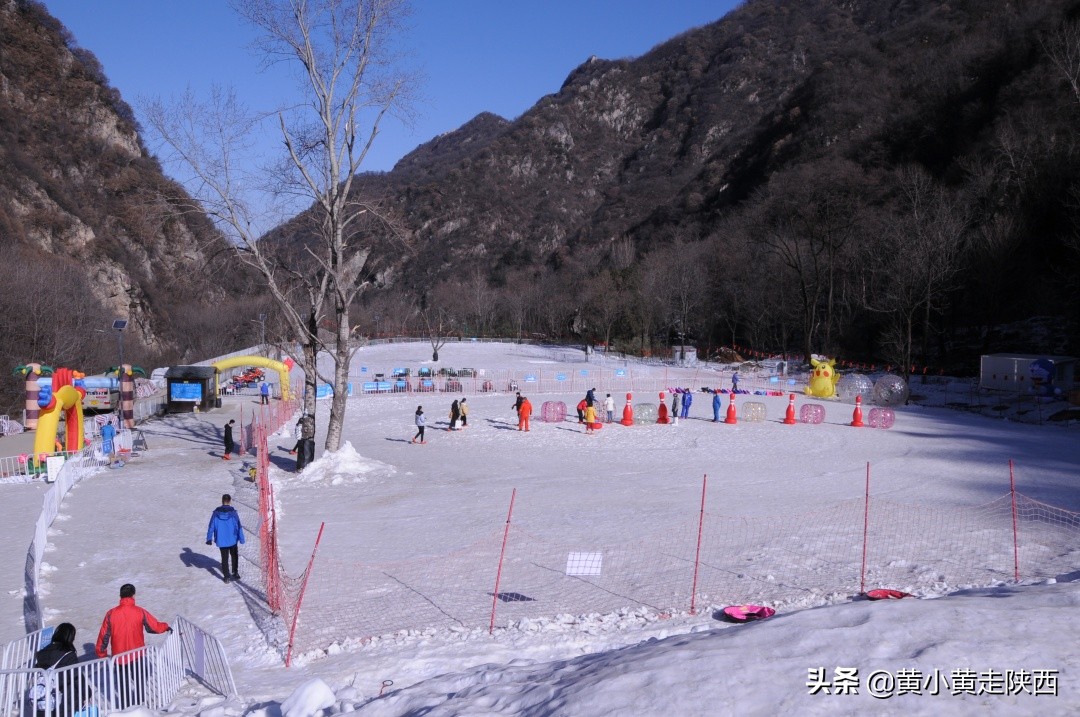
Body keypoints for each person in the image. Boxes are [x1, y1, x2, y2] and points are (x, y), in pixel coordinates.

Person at [95, 584, 171, 710]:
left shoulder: (111, 614)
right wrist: (166, 627)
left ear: (120, 595)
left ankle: (126, 709)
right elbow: (153, 627)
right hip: (137, 654)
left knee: (123, 684)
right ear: (133, 595)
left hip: (119, 657)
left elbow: (104, 636)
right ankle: (140, 707)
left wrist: (101, 653)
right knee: (139, 681)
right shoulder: (140, 611)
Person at [33, 622, 81, 716]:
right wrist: (87, 693)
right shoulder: (69, 654)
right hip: (63, 699)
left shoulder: (41, 653)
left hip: (42, 698)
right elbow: (77, 677)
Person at [206, 494, 245, 583]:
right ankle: (235, 572)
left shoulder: (216, 513)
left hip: (221, 540)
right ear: (230, 501)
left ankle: (226, 576)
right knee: (234, 556)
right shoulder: (233, 513)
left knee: (224, 558)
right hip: (233, 539)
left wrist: (209, 538)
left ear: (222, 500)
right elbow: (238, 526)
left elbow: (211, 526)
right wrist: (241, 538)